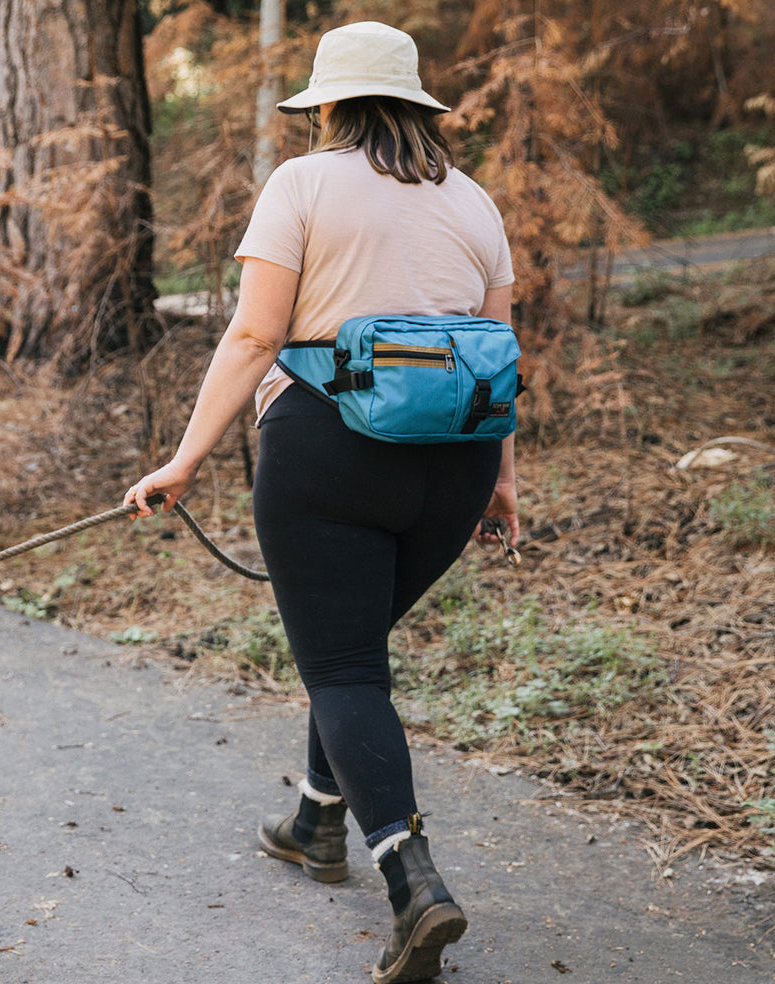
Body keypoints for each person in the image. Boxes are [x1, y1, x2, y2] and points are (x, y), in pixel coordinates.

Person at [124, 20, 518, 984]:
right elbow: (500, 362)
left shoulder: (302, 184)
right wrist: (504, 481)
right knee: (352, 646)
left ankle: (412, 877)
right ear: (418, 104)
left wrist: (184, 460)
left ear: (330, 106)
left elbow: (256, 335)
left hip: (328, 450)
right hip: (456, 469)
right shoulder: (473, 201)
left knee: (342, 667)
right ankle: (314, 819)